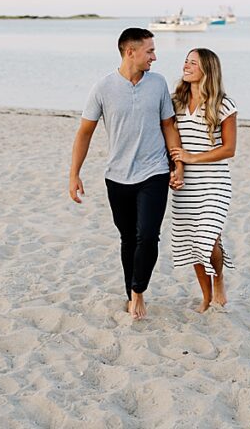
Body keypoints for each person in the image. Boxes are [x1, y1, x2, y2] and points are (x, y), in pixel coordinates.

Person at [69, 28, 183, 321]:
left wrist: (177, 162)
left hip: (154, 172)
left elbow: (169, 125)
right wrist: (74, 174)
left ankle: (138, 292)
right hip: (117, 176)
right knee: (128, 239)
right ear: (130, 52)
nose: (154, 57)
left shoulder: (158, 84)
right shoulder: (103, 88)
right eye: (149, 51)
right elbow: (85, 132)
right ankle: (130, 292)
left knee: (148, 235)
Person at [167, 48, 238, 313]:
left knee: (207, 238)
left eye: (192, 63)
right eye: (185, 61)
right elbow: (170, 141)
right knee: (193, 241)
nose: (186, 66)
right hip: (186, 185)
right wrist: (177, 168)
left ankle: (219, 279)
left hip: (215, 182)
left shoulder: (224, 104)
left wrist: (192, 158)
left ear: (207, 70)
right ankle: (206, 297)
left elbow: (229, 149)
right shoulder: (176, 102)